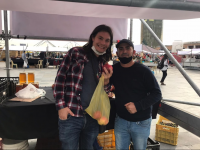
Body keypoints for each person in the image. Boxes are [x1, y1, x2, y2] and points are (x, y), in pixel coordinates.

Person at [53, 24, 113, 150]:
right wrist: (61, 107)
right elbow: (59, 80)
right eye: (100, 38)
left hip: (92, 117)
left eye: (107, 40)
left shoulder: (103, 63)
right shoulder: (76, 53)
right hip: (72, 114)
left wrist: (106, 82)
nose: (103, 43)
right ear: (92, 38)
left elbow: (105, 92)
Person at [108, 39, 162, 150]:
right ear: (117, 53)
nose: (124, 51)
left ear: (133, 52)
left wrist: (137, 106)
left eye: (128, 48)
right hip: (121, 120)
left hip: (141, 122)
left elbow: (157, 94)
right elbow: (108, 86)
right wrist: (107, 87)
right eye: (121, 49)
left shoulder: (144, 71)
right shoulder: (114, 70)